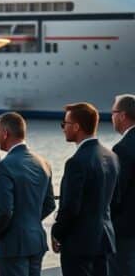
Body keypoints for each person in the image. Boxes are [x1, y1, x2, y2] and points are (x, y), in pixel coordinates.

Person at [52, 102, 120, 276]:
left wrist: (57, 233)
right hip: (104, 240)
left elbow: (70, 207)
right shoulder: (111, 157)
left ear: (76, 127)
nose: (63, 129)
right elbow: (114, 199)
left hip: (79, 245)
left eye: (64, 124)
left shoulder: (76, 162)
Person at [0, 112, 56, 276]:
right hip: (36, 241)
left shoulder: (4, 166)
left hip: (13, 245)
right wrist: (29, 222)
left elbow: (4, 211)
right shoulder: (43, 163)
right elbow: (50, 204)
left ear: (5, 134)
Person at [112, 94, 135, 276]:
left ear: (122, 115)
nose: (112, 116)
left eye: (113, 112)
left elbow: (117, 194)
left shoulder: (123, 148)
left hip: (126, 232)